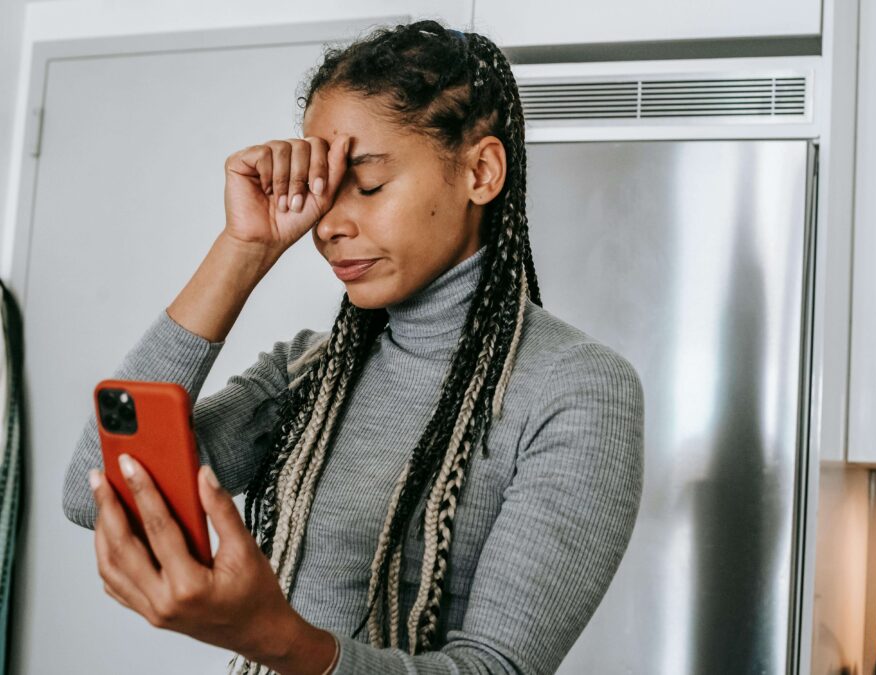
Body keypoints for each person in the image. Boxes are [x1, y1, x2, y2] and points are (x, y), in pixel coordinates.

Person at [61, 19, 644, 675]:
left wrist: (275, 637)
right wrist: (243, 247)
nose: (330, 225)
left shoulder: (575, 390)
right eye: (324, 190)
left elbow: (496, 669)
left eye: (366, 185)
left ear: (480, 172)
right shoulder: (308, 370)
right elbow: (96, 490)